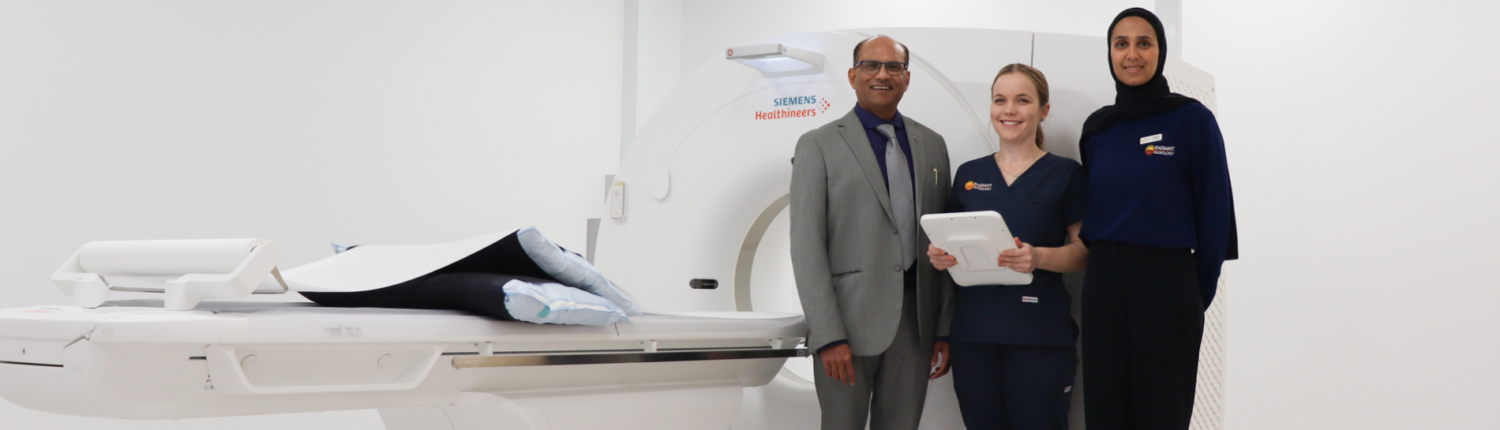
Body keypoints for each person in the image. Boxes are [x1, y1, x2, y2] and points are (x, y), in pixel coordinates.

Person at [1077, 8, 1238, 430]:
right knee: (1106, 413)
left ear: (1160, 51)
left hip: (1167, 285)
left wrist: (1186, 294)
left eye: (1144, 43)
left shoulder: (1192, 120)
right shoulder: (1097, 129)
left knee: (1162, 414)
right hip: (1104, 287)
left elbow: (1215, 215)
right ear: (1110, 53)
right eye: (1121, 43)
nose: (1132, 54)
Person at [790, 34, 954, 430]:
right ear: (852, 75)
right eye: (871, 65)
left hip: (916, 325)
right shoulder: (818, 145)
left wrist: (943, 327)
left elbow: (944, 240)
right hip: (847, 325)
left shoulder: (932, 145)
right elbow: (806, 247)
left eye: (894, 67)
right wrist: (828, 335)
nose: (883, 74)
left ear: (907, 78)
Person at [927, 63, 1088, 430]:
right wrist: (939, 257)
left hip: (1040, 338)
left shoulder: (1066, 174)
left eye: (1022, 100)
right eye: (1000, 100)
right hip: (974, 339)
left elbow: (1084, 251)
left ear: (1043, 111)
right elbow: (949, 244)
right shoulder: (969, 175)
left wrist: (1038, 257)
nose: (1009, 110)